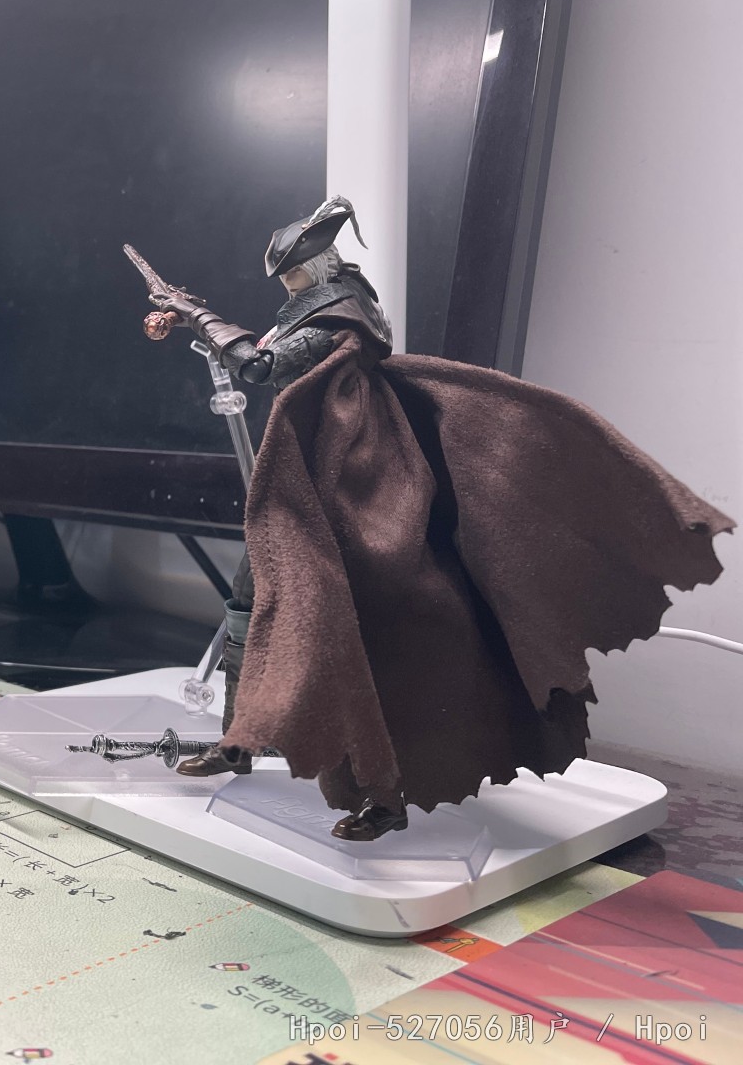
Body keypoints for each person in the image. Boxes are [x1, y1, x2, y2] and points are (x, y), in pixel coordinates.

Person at [140, 197, 731, 841]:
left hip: (352, 492)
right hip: (305, 489)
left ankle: (385, 794)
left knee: (377, 637)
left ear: (319, 267)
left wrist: (197, 315)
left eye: (294, 273)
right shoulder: (313, 310)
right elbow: (269, 357)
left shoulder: (338, 313)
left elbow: (262, 366)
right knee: (249, 605)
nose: (288, 284)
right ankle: (241, 740)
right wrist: (192, 320)